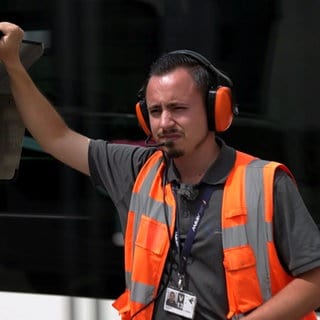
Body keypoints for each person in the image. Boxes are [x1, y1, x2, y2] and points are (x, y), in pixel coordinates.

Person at [0, 21, 320, 320]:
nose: (165, 123)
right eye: (155, 111)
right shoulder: (138, 170)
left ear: (215, 110)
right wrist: (14, 64)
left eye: (178, 108)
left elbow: (315, 279)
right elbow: (57, 137)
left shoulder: (264, 183)